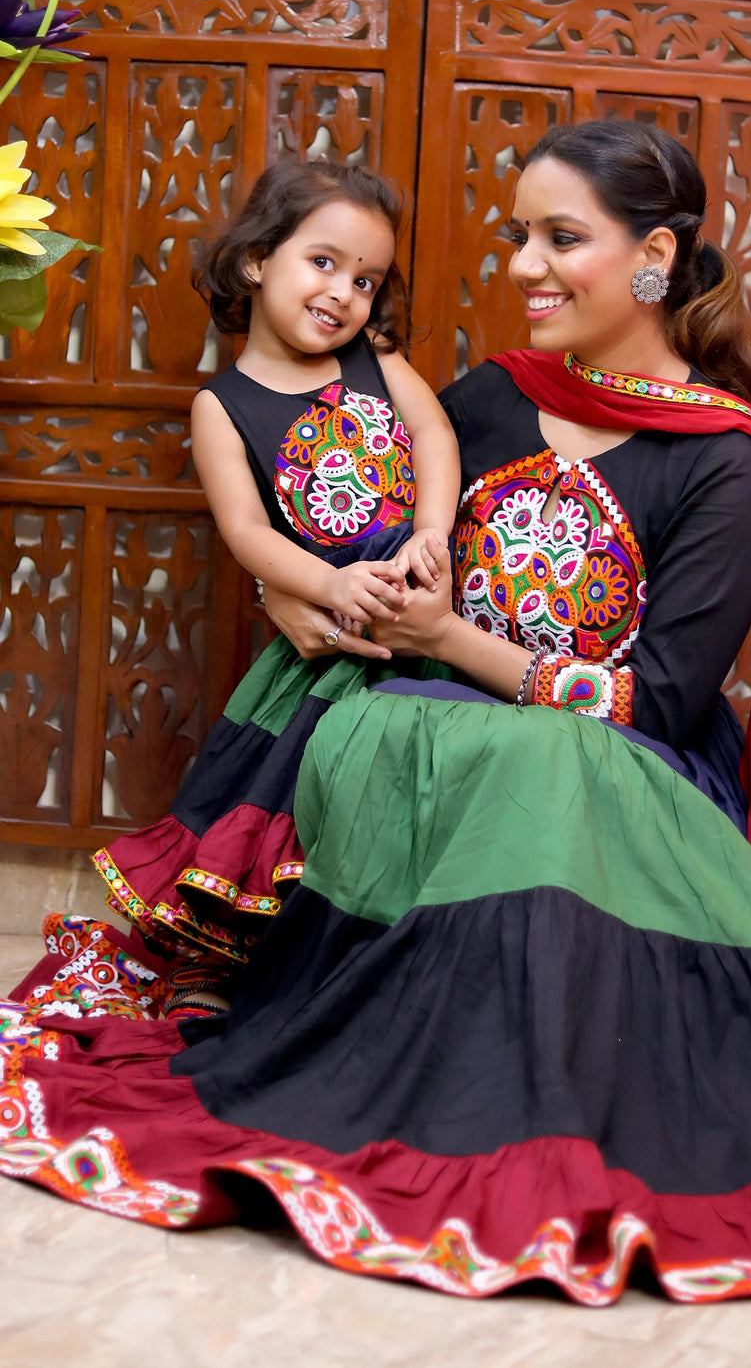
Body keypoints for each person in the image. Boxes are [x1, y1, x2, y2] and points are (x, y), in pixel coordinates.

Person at [1, 123, 751, 1305]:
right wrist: (289, 584)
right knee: (459, 752)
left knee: (546, 767)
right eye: (518, 235)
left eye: (559, 238)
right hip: (420, 730)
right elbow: (341, 523)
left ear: (654, 259)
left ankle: (509, 1110)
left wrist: (452, 643)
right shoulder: (482, 400)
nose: (521, 265)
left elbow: (665, 703)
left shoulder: (724, 461)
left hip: (617, 768)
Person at [92, 160, 460, 1007]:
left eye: (365, 280)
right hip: (330, 631)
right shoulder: (222, 406)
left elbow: (434, 433)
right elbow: (248, 532)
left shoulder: (375, 360)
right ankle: (229, 962)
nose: (344, 293)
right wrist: (330, 587)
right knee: (285, 792)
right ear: (257, 259)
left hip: (420, 605)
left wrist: (432, 529)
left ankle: (375, 970)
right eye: (323, 263)